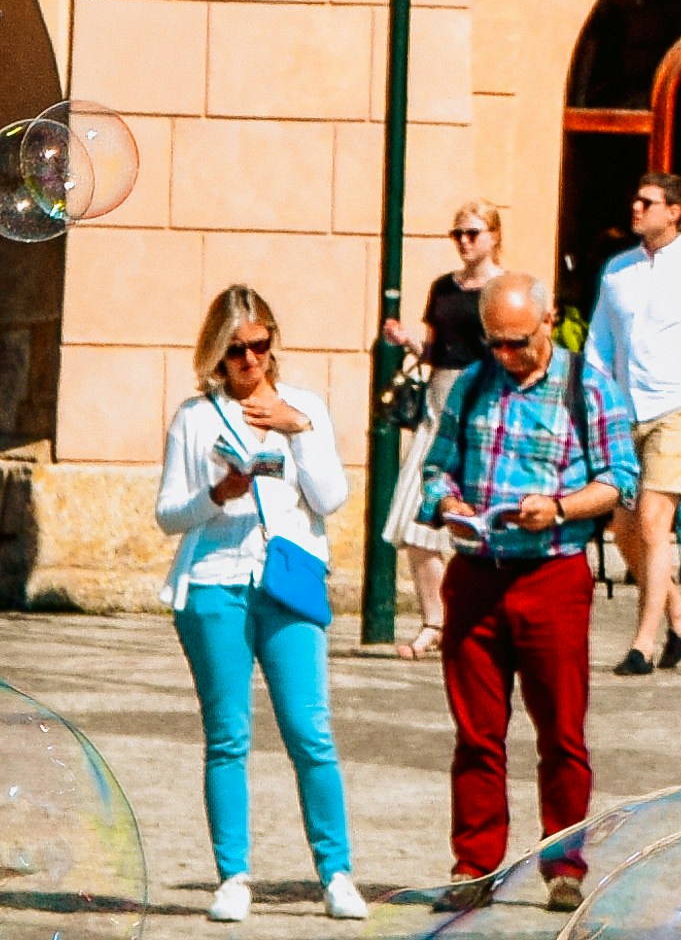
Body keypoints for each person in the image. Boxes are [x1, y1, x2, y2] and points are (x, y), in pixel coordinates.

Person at [399, 266, 630, 910]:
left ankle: (565, 865)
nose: (507, 356)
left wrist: (557, 507)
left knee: (560, 730)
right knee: (477, 732)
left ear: (548, 323)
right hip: (475, 574)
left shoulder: (588, 385)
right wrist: (447, 504)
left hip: (552, 574)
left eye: (519, 342)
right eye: (495, 343)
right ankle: (476, 866)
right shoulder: (472, 386)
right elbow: (437, 469)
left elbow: (619, 479)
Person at [159, 283, 357, 924]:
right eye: (235, 352)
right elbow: (169, 514)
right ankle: (234, 875)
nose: (249, 362)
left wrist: (299, 435)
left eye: (259, 347)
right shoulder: (195, 418)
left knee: (311, 733)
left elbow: (328, 499)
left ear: (274, 342)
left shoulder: (305, 407)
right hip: (214, 583)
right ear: (215, 356)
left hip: (289, 582)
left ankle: (337, 874)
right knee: (227, 737)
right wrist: (217, 493)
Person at [589, 173, 681, 673]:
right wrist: (596, 408)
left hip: (680, 411)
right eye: (635, 197)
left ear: (674, 211)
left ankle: (642, 644)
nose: (635, 206)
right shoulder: (617, 272)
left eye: (646, 201)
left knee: (653, 521)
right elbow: (599, 348)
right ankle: (678, 610)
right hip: (625, 414)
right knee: (623, 527)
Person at [385, 202, 505, 387]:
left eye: (472, 234)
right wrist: (406, 339)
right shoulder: (443, 287)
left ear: (494, 236)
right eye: (457, 235)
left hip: (486, 388)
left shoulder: (506, 288)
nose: (464, 241)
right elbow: (432, 355)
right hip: (442, 388)